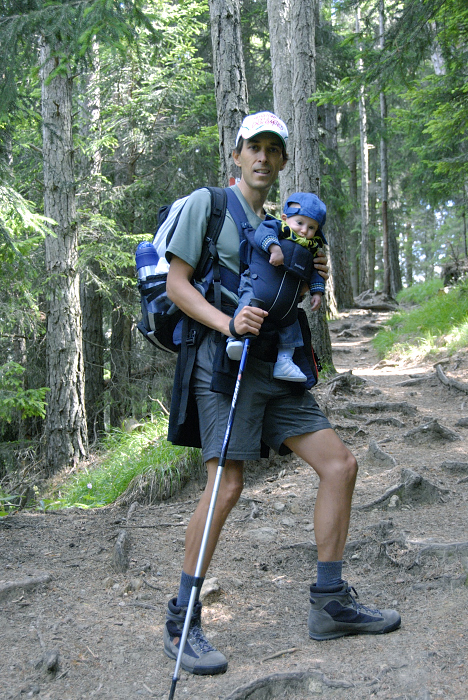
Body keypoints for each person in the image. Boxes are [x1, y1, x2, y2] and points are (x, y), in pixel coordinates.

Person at [163, 111, 401, 676]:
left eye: (273, 149)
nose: (263, 158)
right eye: (255, 147)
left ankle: (330, 603)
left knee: (340, 465)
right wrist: (228, 322)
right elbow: (176, 285)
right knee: (226, 486)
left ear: (283, 160)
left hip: (276, 366)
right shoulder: (208, 205)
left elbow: (284, 293)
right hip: (225, 365)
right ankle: (182, 620)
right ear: (237, 154)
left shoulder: (284, 224)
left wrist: (311, 276)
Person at [226, 191, 328, 382]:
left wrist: (317, 292)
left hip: (287, 301)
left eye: (311, 227)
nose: (304, 231)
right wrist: (274, 248)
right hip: (256, 286)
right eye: (300, 223)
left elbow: (316, 272)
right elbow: (262, 233)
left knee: (291, 325)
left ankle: (285, 361)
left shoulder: (312, 248)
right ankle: (235, 339)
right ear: (285, 218)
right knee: (246, 306)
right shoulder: (277, 227)